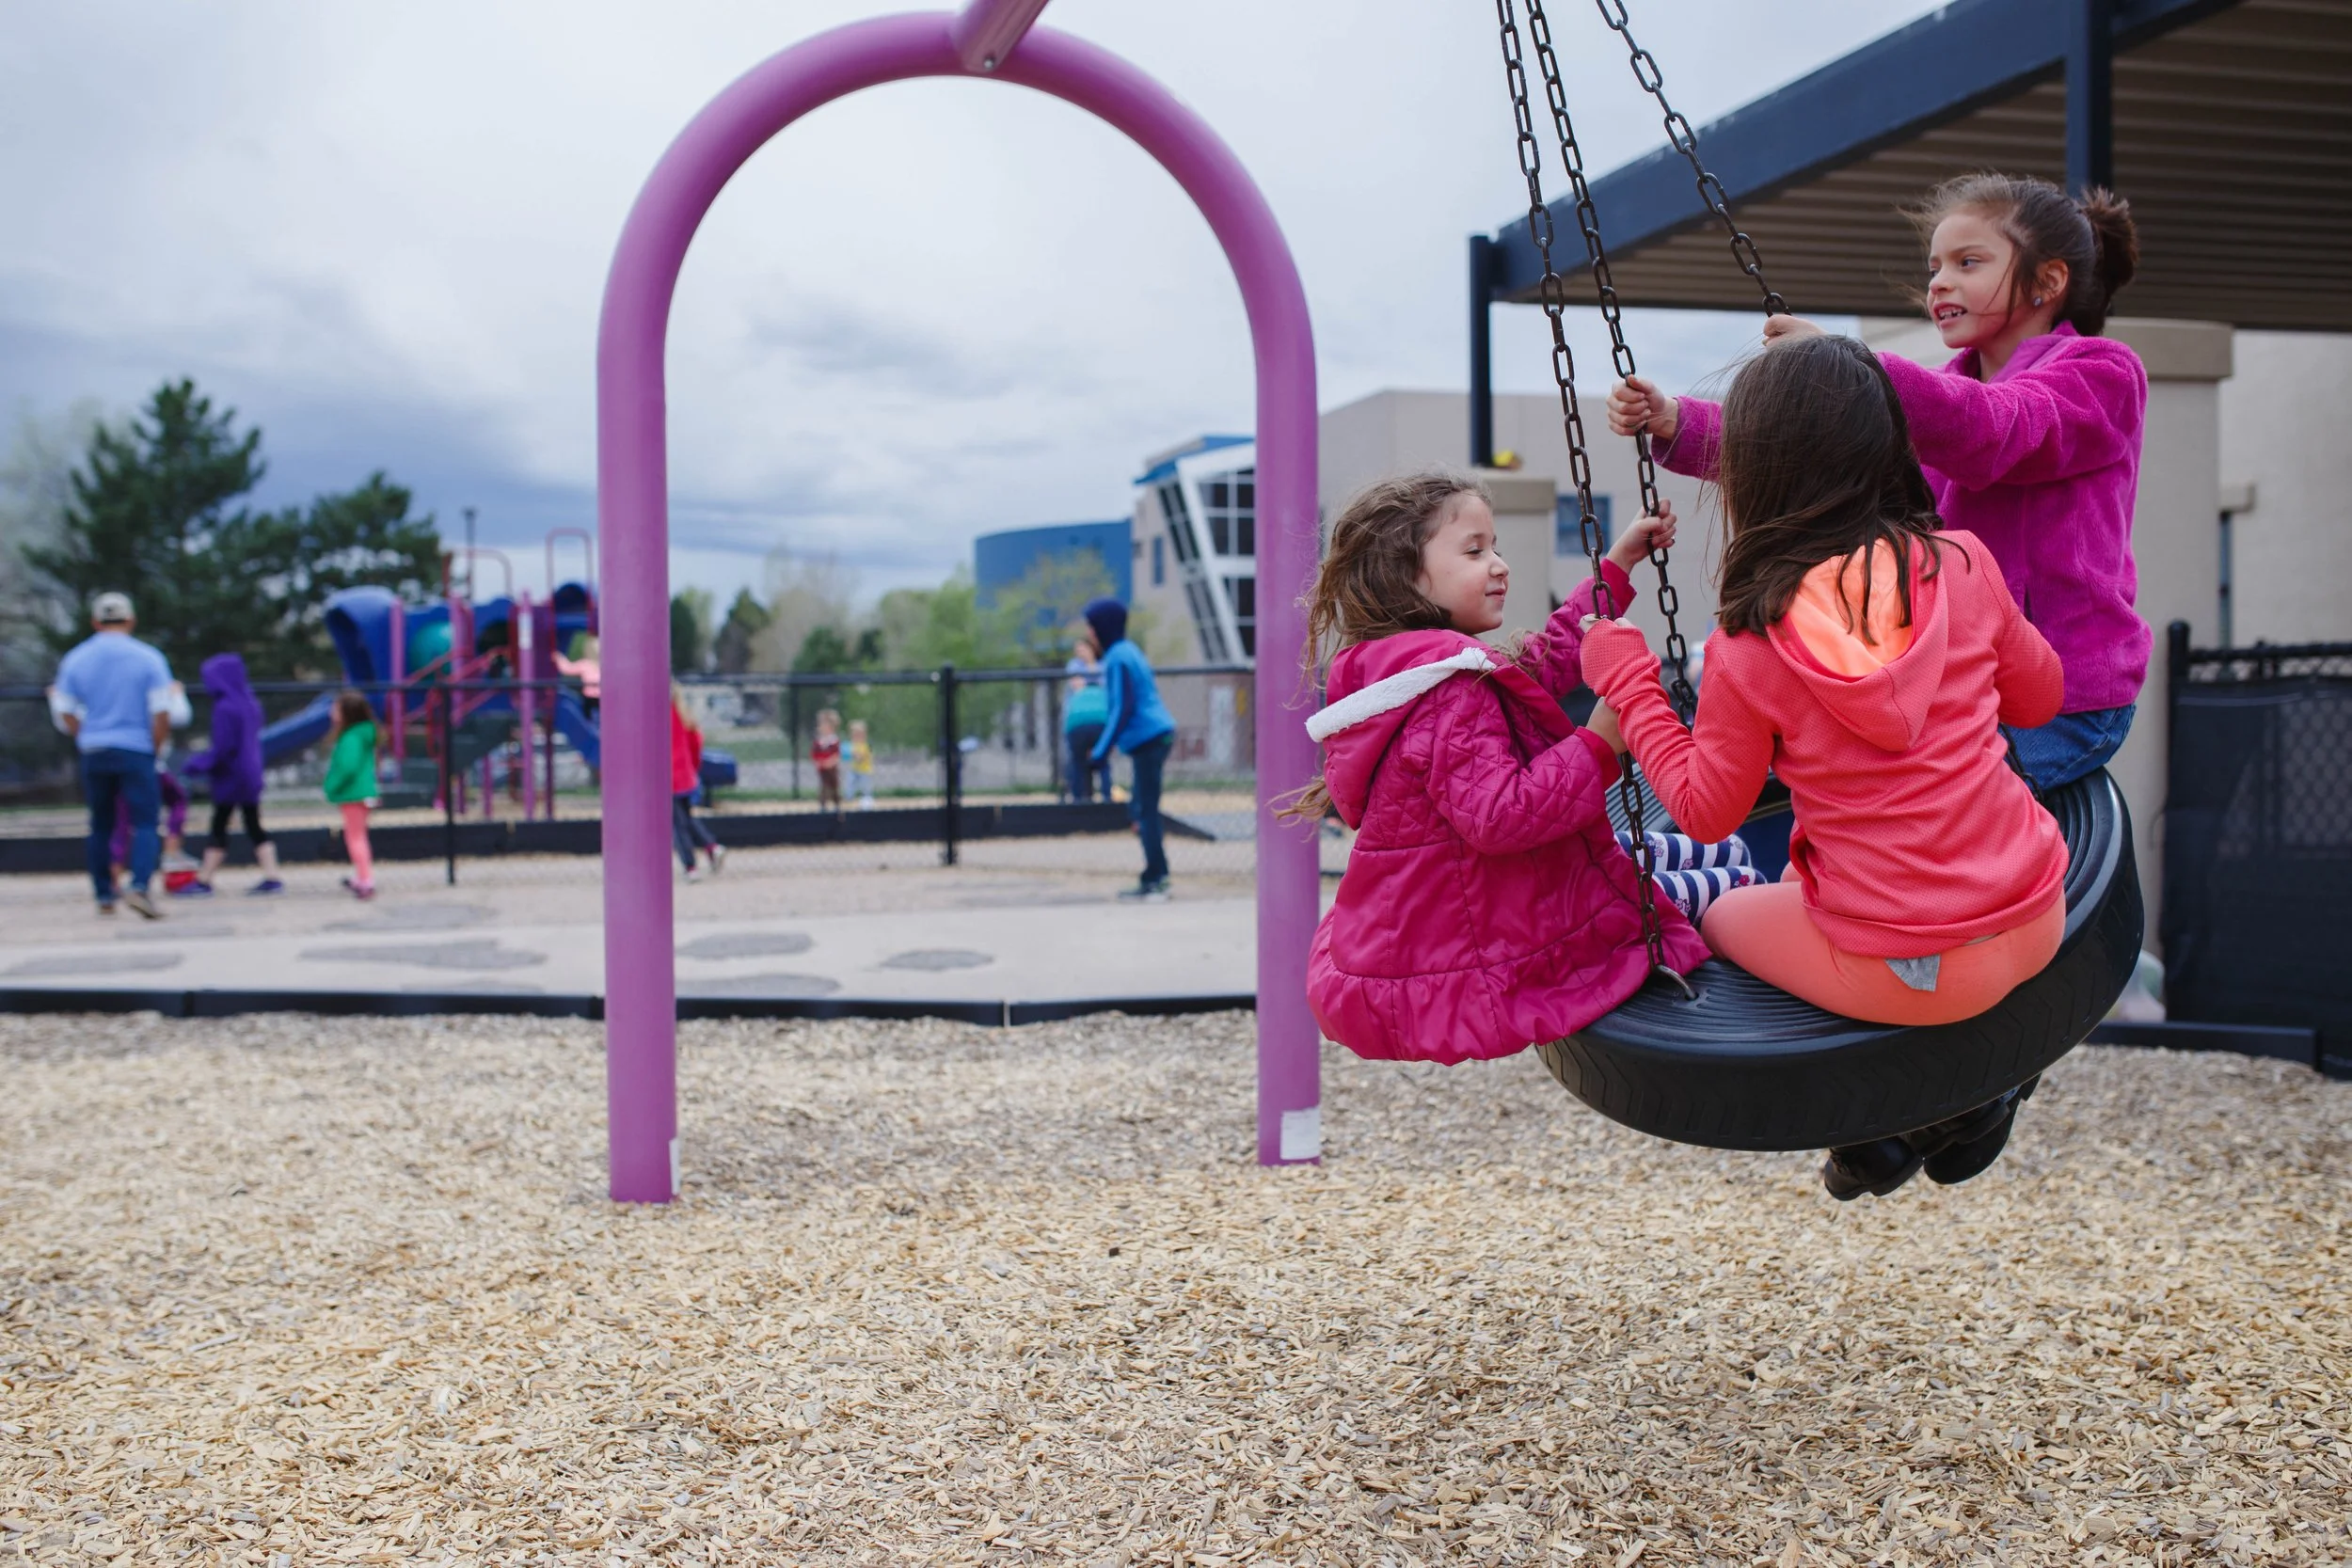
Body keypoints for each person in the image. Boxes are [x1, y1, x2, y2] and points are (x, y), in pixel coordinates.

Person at [1581, 335, 2071, 1201]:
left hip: (1908, 972)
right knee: (1880, 917)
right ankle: (1948, 1106)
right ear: (1889, 444)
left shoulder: (1750, 640)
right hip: (2039, 918)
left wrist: (1629, 680)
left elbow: (1700, 808)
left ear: (1756, 473)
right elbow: (2040, 699)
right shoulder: (1965, 562)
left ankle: (1895, 1114)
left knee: (1729, 909)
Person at [1611, 173, 2144, 791]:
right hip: (1959, 681)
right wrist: (1679, 422)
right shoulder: (1938, 394)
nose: (1940, 281)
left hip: (2065, 694)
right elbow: (1814, 450)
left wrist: (1853, 367)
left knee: (1923, 817)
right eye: (1934, 266)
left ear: (2049, 281)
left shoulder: (2100, 373)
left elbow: (1997, 431)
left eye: (1969, 262)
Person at [1297, 471, 1725, 1066]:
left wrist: (1619, 565)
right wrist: (1600, 744)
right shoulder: (1446, 692)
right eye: (1474, 551)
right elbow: (1501, 816)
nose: (1499, 564)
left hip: (1484, 907)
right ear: (1405, 577)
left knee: (1698, 854)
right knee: (1725, 879)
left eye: (1494, 546)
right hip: (1490, 934)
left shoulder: (1421, 670)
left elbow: (1549, 654)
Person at [47, 592, 175, 918]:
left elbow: (65, 711)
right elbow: (161, 711)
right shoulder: (148, 657)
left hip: (95, 749)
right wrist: (154, 747)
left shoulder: (76, 658)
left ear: (95, 622)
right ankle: (140, 885)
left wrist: (86, 735)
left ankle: (104, 892)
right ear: (130, 620)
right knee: (145, 821)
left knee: (100, 823)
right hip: (136, 747)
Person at [1084, 598, 1179, 900]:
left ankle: (1156, 878)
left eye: (1092, 630)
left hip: (1149, 737)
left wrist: (1100, 751)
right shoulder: (1128, 651)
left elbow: (1121, 708)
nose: (1090, 637)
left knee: (1145, 810)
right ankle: (1155, 874)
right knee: (1141, 807)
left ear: (1103, 629)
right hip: (1153, 736)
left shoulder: (1116, 658)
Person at [179, 652, 282, 896]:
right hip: (251, 771)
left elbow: (224, 748)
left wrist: (199, 765)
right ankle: (272, 875)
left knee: (219, 824)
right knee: (253, 823)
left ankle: (205, 879)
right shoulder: (250, 703)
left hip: (231, 775)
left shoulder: (225, 708)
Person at [323, 689, 381, 901]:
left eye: (336, 708)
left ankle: (366, 880)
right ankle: (362, 876)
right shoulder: (363, 733)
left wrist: (331, 786)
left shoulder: (351, 737)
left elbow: (347, 767)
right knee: (358, 836)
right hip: (362, 792)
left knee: (355, 838)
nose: (331, 712)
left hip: (353, 793)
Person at [671, 685, 723, 880]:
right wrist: (693, 767)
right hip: (684, 775)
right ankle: (711, 846)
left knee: (677, 824)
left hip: (667, 777)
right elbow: (696, 742)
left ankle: (690, 866)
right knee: (685, 816)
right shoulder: (683, 714)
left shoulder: (657, 716)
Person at [1060, 632, 1112, 803]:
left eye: (1083, 649)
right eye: (1077, 650)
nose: (1080, 653)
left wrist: (1089, 677)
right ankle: (1080, 800)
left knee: (1100, 760)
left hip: (1098, 718)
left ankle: (1106, 798)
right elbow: (1077, 685)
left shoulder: (1103, 665)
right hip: (1078, 719)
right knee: (1079, 762)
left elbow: (1090, 685)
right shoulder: (1074, 665)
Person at [810, 707, 843, 816]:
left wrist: (830, 762)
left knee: (834, 787)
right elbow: (814, 753)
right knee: (823, 787)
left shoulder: (833, 740)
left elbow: (836, 754)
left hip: (832, 768)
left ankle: (837, 805)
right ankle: (823, 805)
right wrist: (818, 762)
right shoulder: (819, 741)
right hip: (822, 768)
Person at [846, 718, 876, 810]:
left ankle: (867, 801)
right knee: (850, 783)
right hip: (854, 770)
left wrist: (856, 755)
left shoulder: (866, 746)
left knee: (865, 787)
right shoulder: (853, 745)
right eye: (854, 735)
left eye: (858, 735)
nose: (856, 737)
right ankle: (849, 798)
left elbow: (861, 758)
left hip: (865, 771)